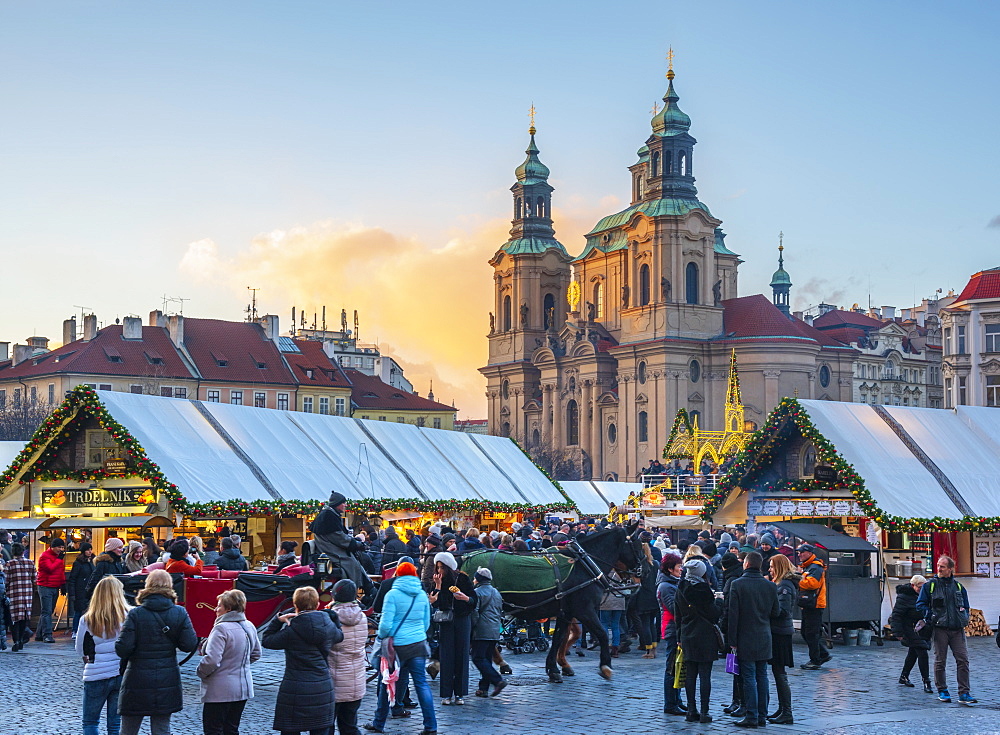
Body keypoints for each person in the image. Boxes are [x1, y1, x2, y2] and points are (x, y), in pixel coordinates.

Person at [116, 569, 198, 735]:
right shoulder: (179, 612)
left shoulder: (135, 614)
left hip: (137, 677)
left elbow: (123, 649)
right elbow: (189, 644)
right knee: (161, 728)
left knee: (128, 729)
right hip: (166, 677)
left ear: (147, 586)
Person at [365, 561, 436, 735]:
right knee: (421, 684)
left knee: (386, 682)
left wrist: (381, 637)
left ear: (397, 574)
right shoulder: (421, 595)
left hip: (396, 646)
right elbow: (427, 623)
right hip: (418, 644)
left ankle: (378, 723)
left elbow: (385, 625)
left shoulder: (393, 594)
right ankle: (430, 726)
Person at [263, 586, 343, 735]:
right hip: (322, 686)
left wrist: (278, 620)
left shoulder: (291, 631)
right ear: (317, 603)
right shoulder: (328, 625)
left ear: (295, 605)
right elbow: (340, 635)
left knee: (291, 729)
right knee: (320, 729)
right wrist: (333, 616)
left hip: (294, 687)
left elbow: (267, 641)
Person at [198, 588, 262, 735]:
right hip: (243, 687)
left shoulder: (221, 628)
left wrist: (201, 672)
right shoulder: (249, 625)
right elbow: (256, 654)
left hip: (220, 690)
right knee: (231, 729)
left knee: (213, 729)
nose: (216, 609)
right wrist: (239, 664)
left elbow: (212, 660)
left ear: (228, 608)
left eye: (219, 605)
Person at [728, 550, 780, 729]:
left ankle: (752, 715)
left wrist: (732, 640)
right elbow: (776, 612)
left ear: (747, 564)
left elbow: (733, 615)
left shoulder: (737, 584)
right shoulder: (771, 586)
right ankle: (762, 715)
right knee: (762, 675)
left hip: (745, 636)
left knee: (748, 676)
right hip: (764, 635)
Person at [916, 555, 976, 704]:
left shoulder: (959, 587)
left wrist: (964, 616)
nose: (939, 568)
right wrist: (930, 614)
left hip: (957, 629)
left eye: (942, 566)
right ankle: (942, 690)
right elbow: (920, 604)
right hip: (939, 628)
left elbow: (966, 606)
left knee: (963, 660)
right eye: (938, 565)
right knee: (940, 660)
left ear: (950, 569)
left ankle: (964, 693)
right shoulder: (930, 585)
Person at [77, 575, 129, 735]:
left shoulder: (87, 619)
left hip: (95, 673)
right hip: (120, 672)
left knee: (90, 722)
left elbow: (80, 649)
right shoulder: (129, 615)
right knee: (115, 724)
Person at [674, 559, 721, 724]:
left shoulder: (680, 589)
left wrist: (679, 637)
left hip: (687, 635)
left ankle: (691, 710)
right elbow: (713, 614)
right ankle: (704, 712)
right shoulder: (704, 590)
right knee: (705, 675)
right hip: (705, 635)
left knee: (691, 675)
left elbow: (677, 616)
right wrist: (719, 603)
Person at [430, 551, 476, 705]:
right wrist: (437, 587)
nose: (439, 571)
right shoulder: (437, 581)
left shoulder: (461, 578)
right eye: (437, 568)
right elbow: (435, 603)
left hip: (462, 619)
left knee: (461, 655)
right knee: (446, 656)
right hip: (446, 621)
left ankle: (460, 693)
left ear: (449, 567)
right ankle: (446, 694)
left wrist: (465, 598)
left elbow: (474, 600)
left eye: (442, 567)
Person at [328, 579, 366, 735]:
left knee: (327, 725)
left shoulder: (331, 618)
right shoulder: (362, 617)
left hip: (334, 682)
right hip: (356, 680)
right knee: (349, 725)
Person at [767, 553, 797, 724]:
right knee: (778, 672)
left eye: (772, 566)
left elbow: (783, 610)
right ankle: (782, 709)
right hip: (779, 631)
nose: (770, 570)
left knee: (780, 673)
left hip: (781, 632)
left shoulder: (784, 585)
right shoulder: (780, 584)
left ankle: (786, 711)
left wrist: (768, 610)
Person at [657, 552, 686, 716]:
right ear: (670, 569)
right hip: (672, 629)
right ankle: (670, 703)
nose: (680, 570)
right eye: (678, 567)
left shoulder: (674, 583)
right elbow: (675, 609)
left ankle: (677, 700)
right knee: (671, 668)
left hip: (676, 628)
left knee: (678, 666)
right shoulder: (666, 586)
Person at [892, 574, 932, 693]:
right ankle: (926, 681)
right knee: (922, 652)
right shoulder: (904, 597)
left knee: (913, 653)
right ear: (912, 586)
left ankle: (904, 676)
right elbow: (896, 615)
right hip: (909, 629)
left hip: (922, 629)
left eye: (923, 588)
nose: (921, 590)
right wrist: (898, 632)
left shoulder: (926, 596)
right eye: (919, 588)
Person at [470, 567, 506, 698]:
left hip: (481, 630)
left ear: (478, 579)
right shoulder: (496, 592)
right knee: (487, 659)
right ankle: (483, 688)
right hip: (494, 630)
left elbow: (475, 613)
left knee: (477, 658)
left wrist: (472, 627)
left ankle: (497, 680)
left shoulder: (477, 592)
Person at [796, 543, 831, 670]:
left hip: (815, 605)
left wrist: (798, 578)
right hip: (810, 604)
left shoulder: (815, 567)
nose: (799, 554)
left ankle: (815, 660)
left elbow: (813, 584)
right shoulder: (809, 566)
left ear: (809, 553)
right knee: (808, 632)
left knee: (811, 633)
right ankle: (822, 654)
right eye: (798, 552)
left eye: (801, 552)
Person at [36, 537, 66, 642]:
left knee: (48, 611)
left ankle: (39, 634)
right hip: (45, 586)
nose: (61, 549)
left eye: (62, 547)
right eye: (59, 547)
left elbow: (60, 571)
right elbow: (50, 568)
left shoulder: (58, 557)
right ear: (53, 547)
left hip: (54, 586)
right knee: (47, 611)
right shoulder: (45, 556)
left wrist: (63, 584)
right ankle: (47, 635)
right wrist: (59, 560)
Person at [6, 543, 35, 651]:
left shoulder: (9, 564)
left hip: (14, 594)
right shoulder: (30, 563)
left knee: (14, 619)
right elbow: (34, 579)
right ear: (23, 551)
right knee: (24, 618)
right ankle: (22, 639)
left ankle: (16, 640)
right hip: (27, 595)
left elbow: (6, 580)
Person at [69, 541, 96, 636]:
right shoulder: (78, 563)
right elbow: (73, 578)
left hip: (90, 591)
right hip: (80, 590)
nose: (90, 551)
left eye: (90, 549)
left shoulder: (92, 561)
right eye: (87, 550)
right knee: (78, 611)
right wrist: (72, 593)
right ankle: (75, 630)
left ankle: (88, 630)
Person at [87, 538, 126, 604]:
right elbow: (94, 579)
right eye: (119, 548)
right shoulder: (103, 563)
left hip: (117, 596)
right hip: (105, 597)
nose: (122, 550)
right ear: (112, 549)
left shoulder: (119, 562)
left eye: (122, 548)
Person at [599, 569, 627, 658]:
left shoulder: (604, 571)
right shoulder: (620, 571)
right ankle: (615, 648)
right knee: (616, 625)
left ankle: (605, 646)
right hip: (619, 599)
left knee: (604, 624)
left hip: (606, 600)